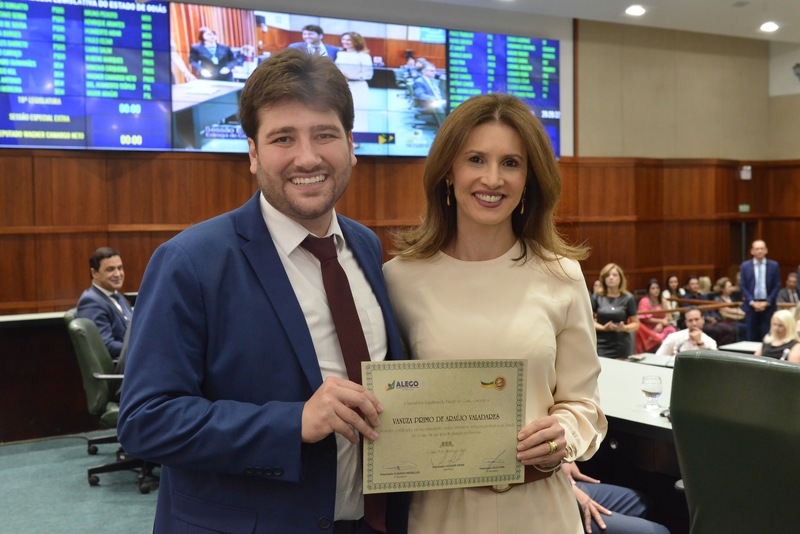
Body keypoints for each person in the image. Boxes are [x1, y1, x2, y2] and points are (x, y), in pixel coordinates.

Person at [117, 49, 407, 533]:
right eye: (283, 138)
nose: (307, 157)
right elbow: (145, 420)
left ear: (351, 145)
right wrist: (293, 423)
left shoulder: (366, 246)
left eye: (325, 134)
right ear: (253, 153)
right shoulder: (190, 262)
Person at [384, 92, 607, 533]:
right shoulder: (399, 280)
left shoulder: (562, 275)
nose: (492, 178)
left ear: (529, 179)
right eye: (475, 159)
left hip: (541, 512)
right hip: (440, 515)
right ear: (448, 172)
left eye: (511, 163)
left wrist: (563, 435)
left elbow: (585, 404)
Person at [563, 462, 669, 534]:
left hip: (565, 484)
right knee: (659, 532)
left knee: (642, 504)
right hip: (558, 503)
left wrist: (564, 459)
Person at [76, 247, 132, 361]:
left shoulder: (118, 296)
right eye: (110, 269)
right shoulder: (91, 301)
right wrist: (140, 347)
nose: (118, 274)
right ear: (94, 273)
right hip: (122, 365)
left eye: (120, 268)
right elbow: (106, 346)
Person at [592, 263, 639, 358]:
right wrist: (603, 328)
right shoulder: (597, 296)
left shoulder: (628, 298)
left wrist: (624, 328)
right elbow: (589, 321)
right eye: (608, 275)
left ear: (620, 278)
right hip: (601, 343)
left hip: (622, 344)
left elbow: (636, 324)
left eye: (614, 275)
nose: (611, 278)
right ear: (603, 279)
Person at [739, 239, 781, 341]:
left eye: (762, 248)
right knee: (751, 337)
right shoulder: (745, 266)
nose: (760, 251)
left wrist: (767, 302)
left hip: (768, 306)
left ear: (766, 250)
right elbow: (743, 286)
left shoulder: (774, 265)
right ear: (752, 251)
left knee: (767, 336)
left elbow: (777, 285)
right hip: (751, 306)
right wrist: (752, 302)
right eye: (757, 249)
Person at [335, 32, 373, 136]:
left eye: (348, 40)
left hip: (358, 86)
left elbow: (368, 74)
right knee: (342, 112)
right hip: (342, 86)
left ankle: (359, 137)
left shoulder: (364, 56)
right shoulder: (340, 54)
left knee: (358, 113)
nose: (345, 42)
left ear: (356, 41)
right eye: (343, 39)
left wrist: (350, 76)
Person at [636, 279, 676, 353]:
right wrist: (661, 321)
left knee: (672, 330)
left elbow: (668, 316)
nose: (656, 290)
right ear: (649, 290)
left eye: (657, 288)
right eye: (653, 288)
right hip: (648, 327)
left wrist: (661, 323)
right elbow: (645, 319)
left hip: (661, 326)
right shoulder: (644, 301)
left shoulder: (663, 300)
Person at [412, 61, 446, 126]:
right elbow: (421, 95)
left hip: (437, 102)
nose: (434, 73)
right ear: (424, 71)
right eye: (432, 71)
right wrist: (436, 99)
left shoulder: (434, 81)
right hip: (427, 104)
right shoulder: (419, 81)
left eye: (435, 71)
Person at [713, 276, 745, 341]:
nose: (731, 288)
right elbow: (725, 310)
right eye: (729, 287)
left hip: (736, 320)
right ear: (723, 289)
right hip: (725, 321)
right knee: (742, 328)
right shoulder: (718, 299)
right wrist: (739, 311)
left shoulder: (732, 297)